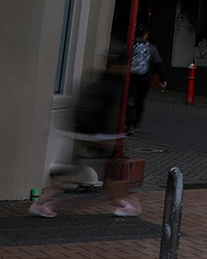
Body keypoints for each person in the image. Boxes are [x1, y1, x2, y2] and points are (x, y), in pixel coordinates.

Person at [30, 51, 141, 218]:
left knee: (96, 172)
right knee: (79, 172)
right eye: (125, 66)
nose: (127, 69)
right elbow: (99, 112)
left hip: (90, 135)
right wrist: (97, 136)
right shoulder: (108, 86)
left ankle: (122, 204)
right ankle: (41, 201)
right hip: (93, 136)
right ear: (117, 67)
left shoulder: (100, 81)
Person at [129, 24, 166, 132]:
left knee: (131, 100)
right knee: (140, 101)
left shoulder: (129, 46)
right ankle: (136, 124)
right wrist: (162, 79)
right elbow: (159, 64)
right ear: (145, 35)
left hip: (131, 78)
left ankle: (129, 124)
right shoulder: (151, 48)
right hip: (145, 78)